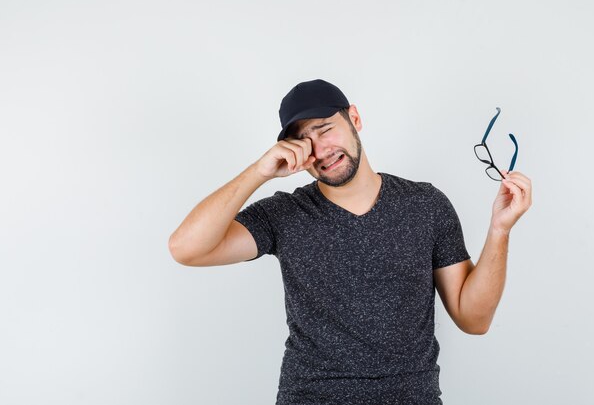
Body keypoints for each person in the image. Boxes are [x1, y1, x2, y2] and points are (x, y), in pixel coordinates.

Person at [168, 79, 533, 404]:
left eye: (325, 129)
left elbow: (474, 319)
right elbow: (186, 248)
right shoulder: (284, 214)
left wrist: (500, 230)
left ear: (354, 119)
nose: (319, 149)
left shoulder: (426, 205)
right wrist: (259, 172)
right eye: (303, 140)